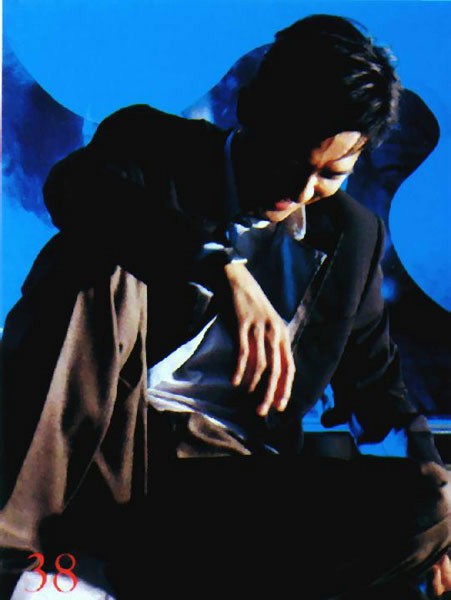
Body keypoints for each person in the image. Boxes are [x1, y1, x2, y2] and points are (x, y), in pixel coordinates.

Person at [1, 13, 448, 598]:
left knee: (437, 502)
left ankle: (163, 572)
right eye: (292, 159)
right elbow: (75, 190)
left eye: (331, 174)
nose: (301, 191)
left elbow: (379, 393)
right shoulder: (152, 143)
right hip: (110, 434)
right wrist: (220, 266)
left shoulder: (354, 238)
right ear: (254, 110)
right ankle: (11, 555)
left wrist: (435, 519)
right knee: (90, 257)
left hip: (224, 480)